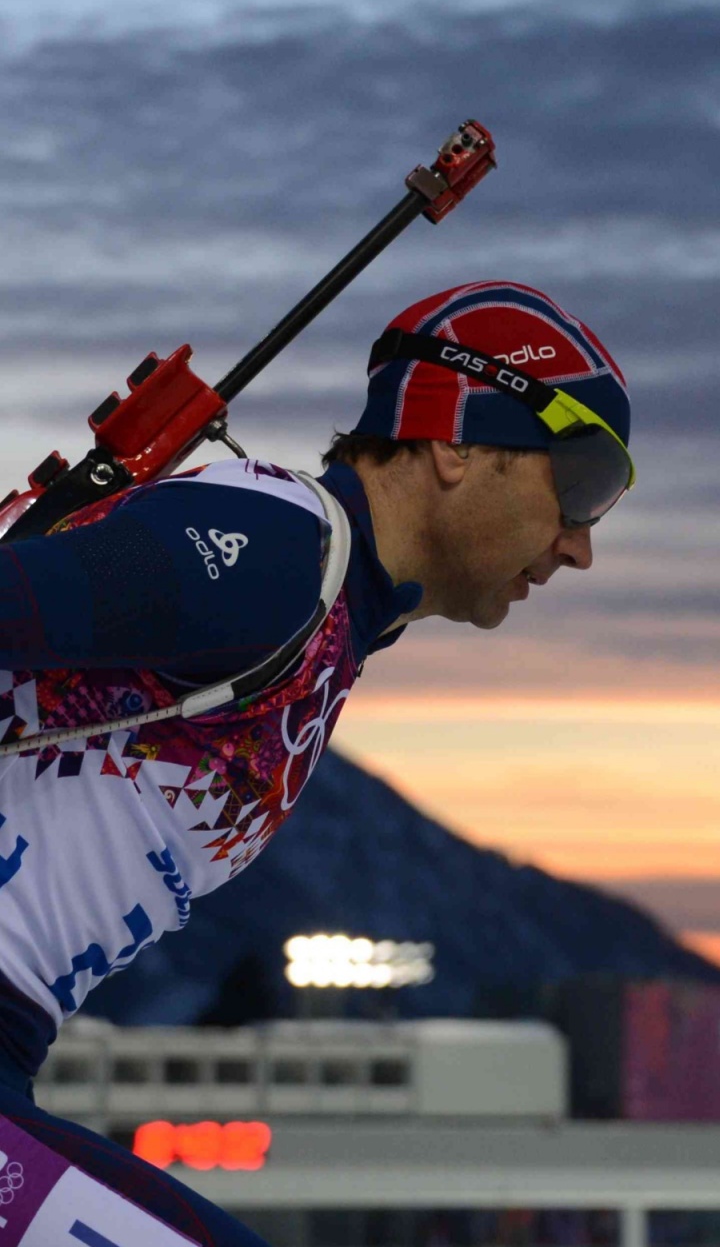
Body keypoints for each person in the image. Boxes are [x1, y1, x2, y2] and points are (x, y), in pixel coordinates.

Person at [0, 281, 632, 1244]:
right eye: (582, 479)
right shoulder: (278, 551)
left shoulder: (326, 619)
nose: (582, 545)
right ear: (455, 442)